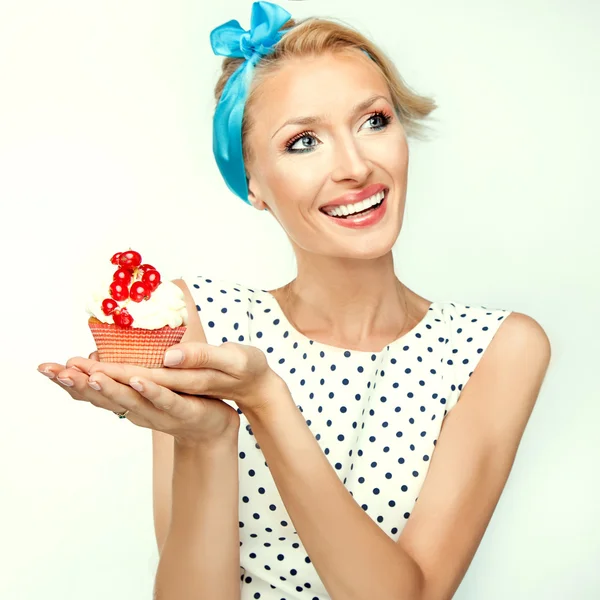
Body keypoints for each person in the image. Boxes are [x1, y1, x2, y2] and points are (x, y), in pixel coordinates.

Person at [38, 2, 552, 599]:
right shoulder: (201, 322)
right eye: (304, 141)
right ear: (252, 183)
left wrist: (265, 402)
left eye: (375, 121)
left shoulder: (496, 348)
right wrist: (206, 440)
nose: (357, 167)